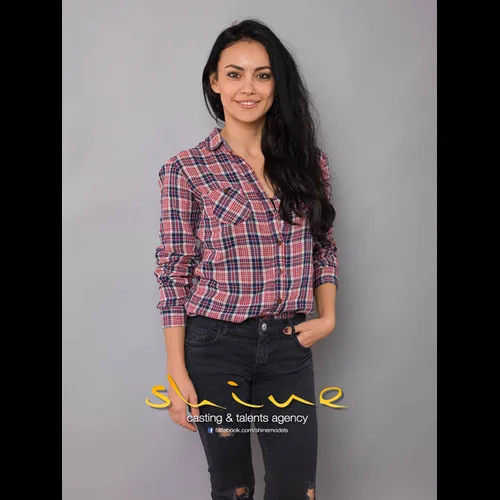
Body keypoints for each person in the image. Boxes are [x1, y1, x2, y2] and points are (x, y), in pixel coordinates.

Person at [154, 18, 338, 500]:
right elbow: (173, 272)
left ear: (277, 83)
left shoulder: (308, 163)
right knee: (234, 489)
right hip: (216, 347)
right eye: (234, 74)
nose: (248, 88)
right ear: (215, 83)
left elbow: (323, 245)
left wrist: (327, 317)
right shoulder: (186, 169)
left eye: (262, 74)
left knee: (297, 488)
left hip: (288, 347)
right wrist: (176, 373)